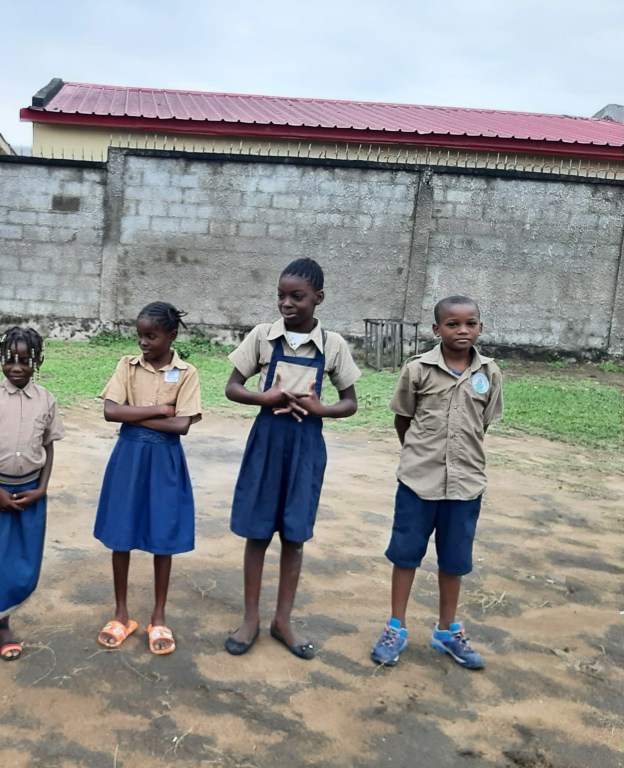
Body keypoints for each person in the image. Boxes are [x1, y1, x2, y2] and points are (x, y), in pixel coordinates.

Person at [223, 258, 360, 658]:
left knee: (294, 536)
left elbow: (350, 402)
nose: (286, 303)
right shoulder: (262, 337)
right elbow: (232, 387)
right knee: (257, 533)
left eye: (297, 296)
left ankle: (283, 620)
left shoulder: (333, 345)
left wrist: (321, 408)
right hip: (266, 443)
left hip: (305, 447)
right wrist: (262, 397)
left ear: (318, 298)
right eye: (281, 295)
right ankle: (250, 619)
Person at [370, 295, 503, 670]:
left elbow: (483, 424)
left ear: (480, 327)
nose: (463, 330)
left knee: (455, 560)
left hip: (466, 485)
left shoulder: (489, 373)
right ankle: (396, 626)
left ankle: (447, 630)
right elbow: (403, 418)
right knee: (405, 555)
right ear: (436, 329)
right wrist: (419, 456)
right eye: (453, 324)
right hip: (418, 483)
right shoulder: (418, 370)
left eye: (470, 323)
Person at [94, 302, 202, 656]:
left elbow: (181, 425)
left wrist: (133, 415)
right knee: (120, 533)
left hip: (165, 460)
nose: (143, 342)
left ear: (171, 336)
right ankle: (121, 614)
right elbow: (111, 411)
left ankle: (158, 617)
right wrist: (158, 410)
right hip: (129, 457)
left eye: (151, 336)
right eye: (139, 334)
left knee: (163, 535)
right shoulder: (127, 366)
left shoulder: (186, 373)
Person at [0, 327, 65, 661]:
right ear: (0, 359)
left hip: (30, 493)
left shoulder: (46, 399)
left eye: (25, 360)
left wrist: (41, 489)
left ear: (38, 361)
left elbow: (48, 447)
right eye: (10, 359)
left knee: (21, 558)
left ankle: (3, 623)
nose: (16, 367)